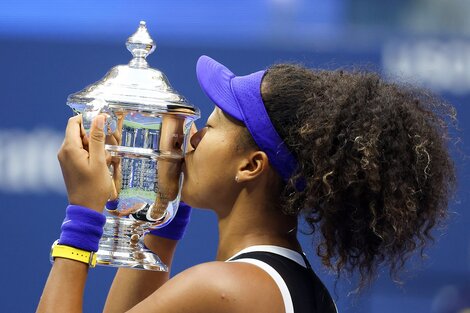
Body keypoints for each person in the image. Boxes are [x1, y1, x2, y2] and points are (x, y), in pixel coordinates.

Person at [37, 55, 457, 313]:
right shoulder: (294, 288)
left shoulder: (222, 289)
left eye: (213, 127)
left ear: (251, 166)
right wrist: (167, 208)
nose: (191, 137)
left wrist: (83, 216)